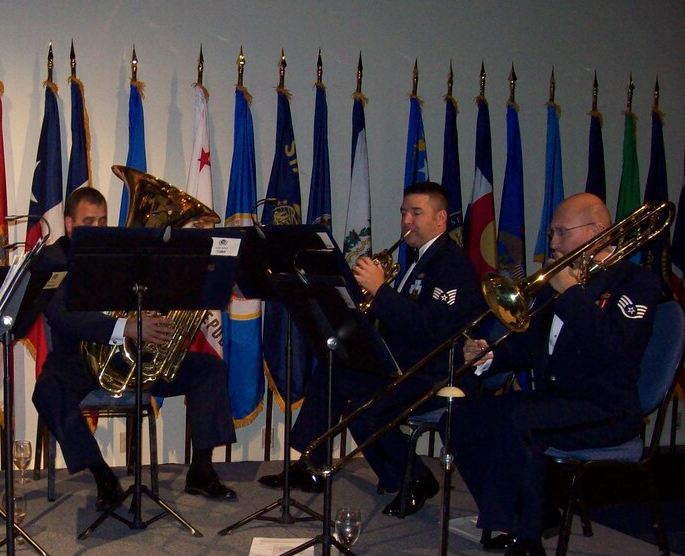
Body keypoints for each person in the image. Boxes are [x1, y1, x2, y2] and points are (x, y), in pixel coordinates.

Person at [452, 193, 660, 556]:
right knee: (463, 418)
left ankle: (527, 550)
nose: (553, 244)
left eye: (562, 233)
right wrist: (488, 355)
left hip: (607, 407)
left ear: (596, 231)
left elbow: (614, 349)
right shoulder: (561, 281)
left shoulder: (637, 283)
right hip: (557, 398)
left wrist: (572, 294)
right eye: (551, 233)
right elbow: (530, 345)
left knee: (522, 425)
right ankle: (525, 517)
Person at [259, 181, 484, 516]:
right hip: (406, 362)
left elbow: (435, 331)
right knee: (334, 367)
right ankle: (312, 462)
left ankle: (415, 478)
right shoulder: (420, 259)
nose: (406, 220)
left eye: (416, 213)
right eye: (404, 212)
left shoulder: (451, 265)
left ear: (440, 219)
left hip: (435, 371)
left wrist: (382, 292)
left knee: (364, 411)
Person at [32, 186, 237, 510]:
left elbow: (155, 292)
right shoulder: (51, 260)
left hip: (133, 357)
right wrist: (124, 327)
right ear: (69, 224)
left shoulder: (123, 252)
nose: (98, 228)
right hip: (77, 361)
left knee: (209, 369)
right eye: (89, 221)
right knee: (46, 392)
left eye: (102, 221)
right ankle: (103, 476)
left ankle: (201, 469)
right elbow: (61, 314)